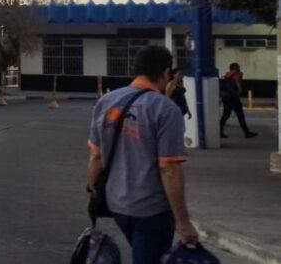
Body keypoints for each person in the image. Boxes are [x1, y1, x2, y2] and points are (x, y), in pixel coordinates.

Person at [87, 45, 198, 264]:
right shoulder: (166, 109)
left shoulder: (106, 102)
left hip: (116, 205)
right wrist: (183, 221)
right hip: (152, 209)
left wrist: (93, 192)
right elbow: (169, 169)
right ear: (165, 73)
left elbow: (96, 157)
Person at [220, 63, 258, 139]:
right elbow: (239, 89)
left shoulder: (226, 75)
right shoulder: (237, 75)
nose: (239, 69)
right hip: (234, 99)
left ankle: (220, 132)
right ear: (235, 68)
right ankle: (247, 133)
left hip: (226, 98)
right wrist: (238, 91)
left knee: (225, 116)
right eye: (238, 67)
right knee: (240, 116)